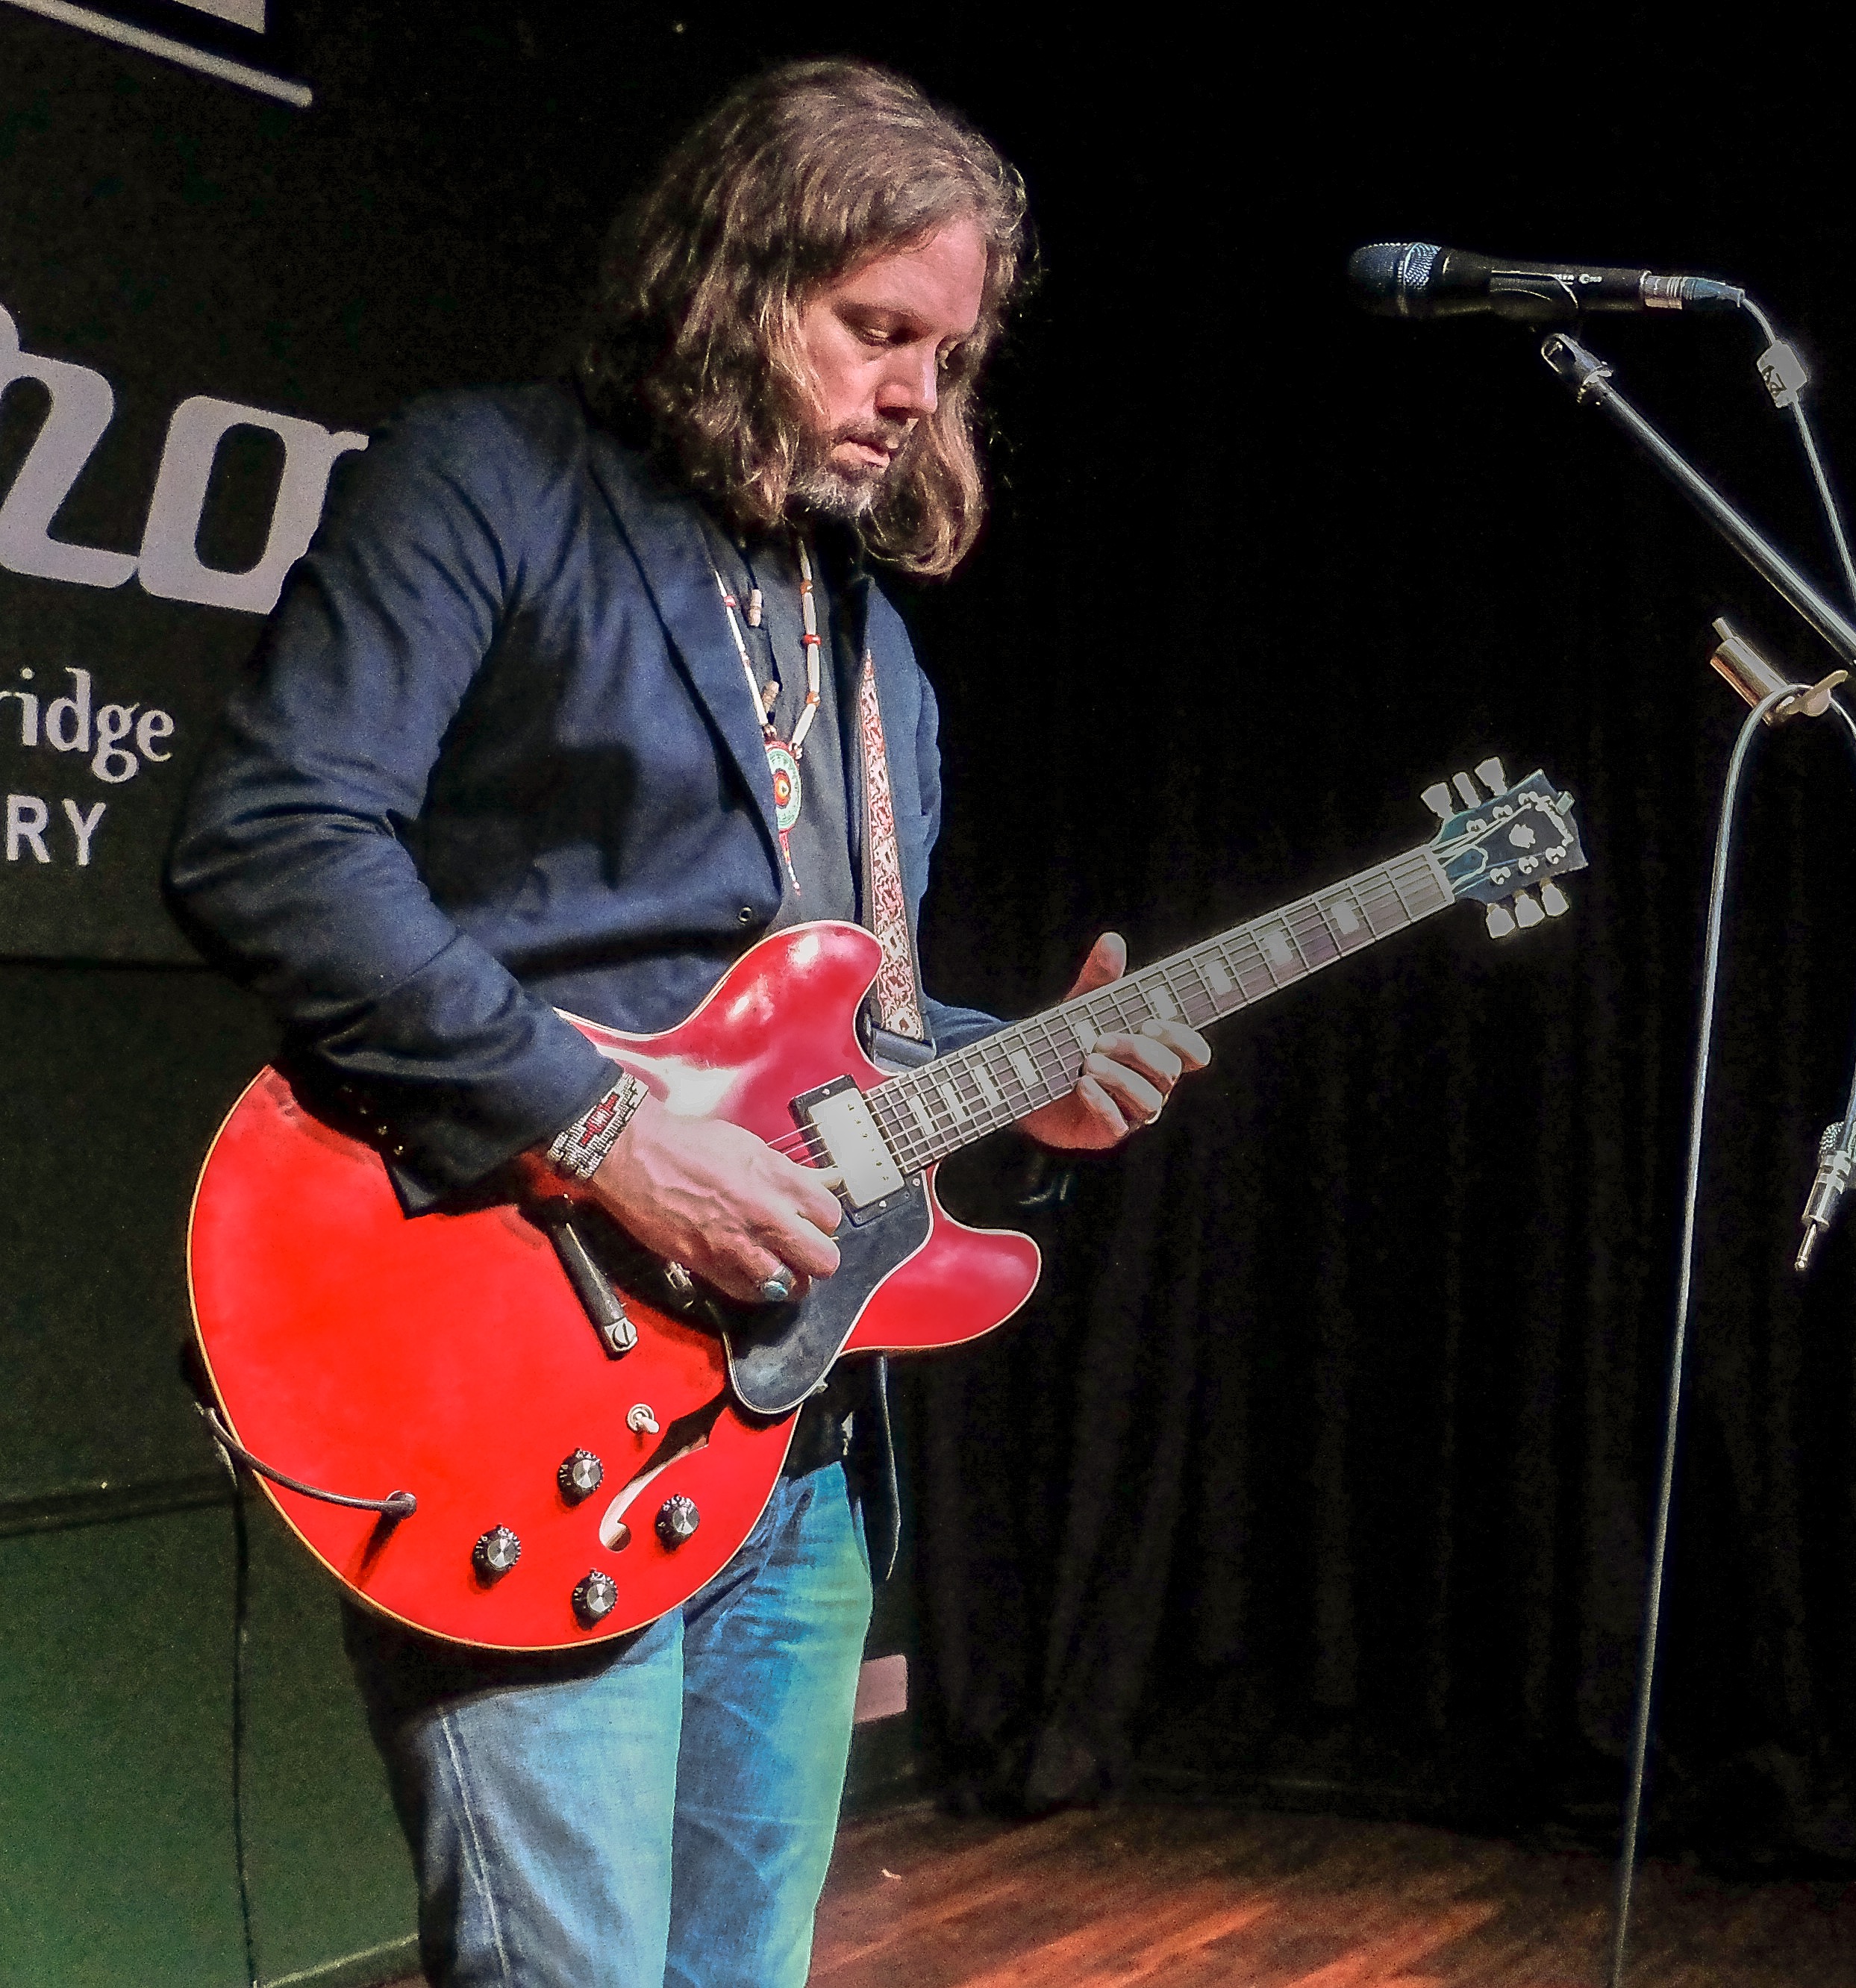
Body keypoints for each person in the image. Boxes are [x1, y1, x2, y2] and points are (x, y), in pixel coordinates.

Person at [166, 59, 1206, 1988]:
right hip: (517, 1376)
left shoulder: (879, 657)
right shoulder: (486, 483)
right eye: (876, 330)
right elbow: (273, 843)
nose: (917, 393)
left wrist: (1021, 1089)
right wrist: (605, 1131)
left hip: (795, 1452)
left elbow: (824, 1043)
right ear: (734, 281)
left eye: (949, 356)